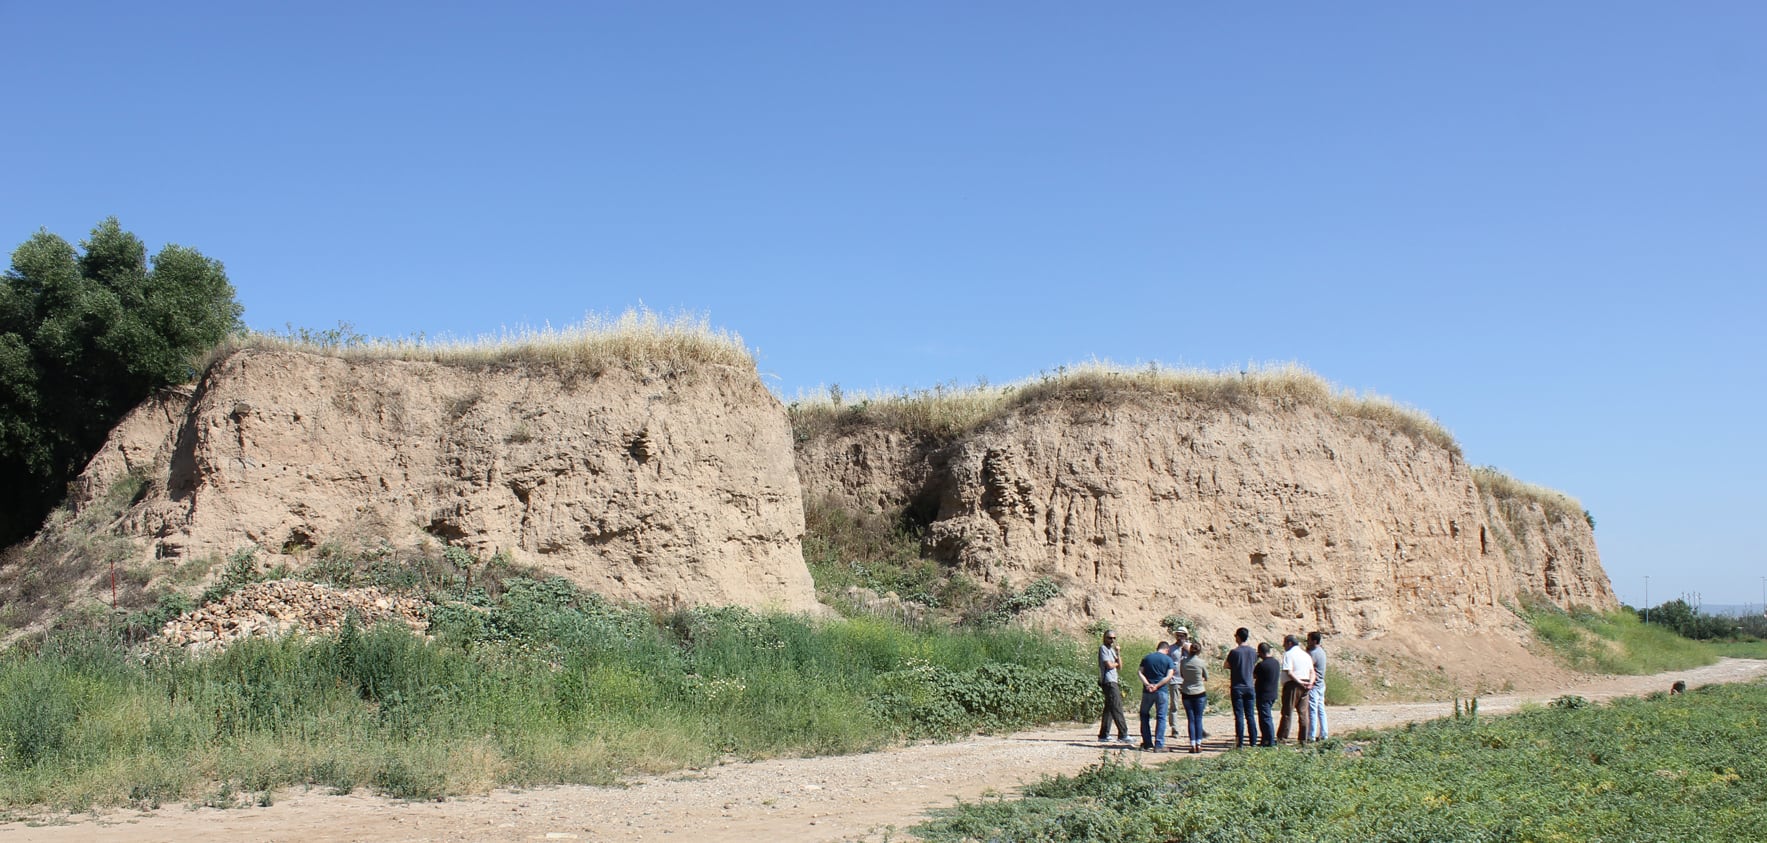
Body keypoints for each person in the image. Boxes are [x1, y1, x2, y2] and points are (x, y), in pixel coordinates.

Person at [1223, 627, 1259, 748]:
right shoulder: (1253, 652)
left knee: (1239, 715)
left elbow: (1226, 665)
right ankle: (1253, 741)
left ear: (1238, 637)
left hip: (1237, 686)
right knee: (1250, 715)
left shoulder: (1235, 652)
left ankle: (1240, 742)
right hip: (1249, 686)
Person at [1137, 640, 1176, 751]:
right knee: (1161, 717)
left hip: (1147, 691)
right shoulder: (1168, 660)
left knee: (1144, 715)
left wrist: (1147, 684)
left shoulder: (1147, 658)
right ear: (1167, 650)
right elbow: (1169, 676)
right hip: (1161, 691)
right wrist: (1157, 685)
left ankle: (1147, 743)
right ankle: (1159, 744)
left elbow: (1140, 672)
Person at [1276, 634, 1315, 744]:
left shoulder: (1289, 654)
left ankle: (1282, 738)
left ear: (1289, 643)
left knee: (1287, 712)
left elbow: (1289, 671)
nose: (1283, 645)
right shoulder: (1306, 655)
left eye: (1284, 643)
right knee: (1303, 713)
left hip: (1293, 685)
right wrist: (1310, 683)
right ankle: (1303, 739)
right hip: (1306, 684)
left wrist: (1299, 682)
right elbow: (1312, 672)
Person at [1096, 629, 1131, 744]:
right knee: (1117, 706)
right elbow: (1110, 665)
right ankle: (1123, 734)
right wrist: (1115, 664)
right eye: (1110, 638)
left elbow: (1120, 666)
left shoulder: (1112, 650)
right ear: (1104, 638)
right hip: (1108, 681)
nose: (1112, 640)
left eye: (1114, 638)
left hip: (1113, 680)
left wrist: (1118, 653)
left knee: (1109, 708)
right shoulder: (1103, 649)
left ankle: (1103, 734)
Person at [1177, 641, 1209, 753]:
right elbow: (1206, 676)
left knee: (1190, 719)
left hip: (1187, 692)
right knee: (1198, 718)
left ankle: (1192, 744)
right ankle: (1199, 744)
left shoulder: (1183, 662)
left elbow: (1182, 675)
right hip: (1199, 692)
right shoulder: (1201, 662)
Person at [1252, 642, 1280, 746]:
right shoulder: (1276, 662)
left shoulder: (1261, 665)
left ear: (1260, 652)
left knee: (1265, 718)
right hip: (1273, 693)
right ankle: (1266, 739)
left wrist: (1255, 659)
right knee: (1266, 717)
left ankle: (1270, 740)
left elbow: (1253, 675)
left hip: (1263, 695)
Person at [1167, 626, 1190, 739]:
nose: (1179, 638)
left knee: (1189, 705)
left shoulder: (1189, 647)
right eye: (1178, 635)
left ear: (1186, 636)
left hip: (1187, 680)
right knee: (1174, 705)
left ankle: (1193, 728)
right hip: (1175, 679)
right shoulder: (1171, 649)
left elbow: (1196, 655)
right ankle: (1175, 728)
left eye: (1182, 635)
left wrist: (1185, 646)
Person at [1306, 630, 1329, 742]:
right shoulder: (1321, 651)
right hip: (1321, 684)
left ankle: (1311, 735)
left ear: (1314, 641)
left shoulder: (1313, 653)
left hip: (1314, 686)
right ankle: (1324, 734)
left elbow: (1308, 667)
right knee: (1321, 710)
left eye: (1309, 640)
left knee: (1313, 711)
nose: (1307, 642)